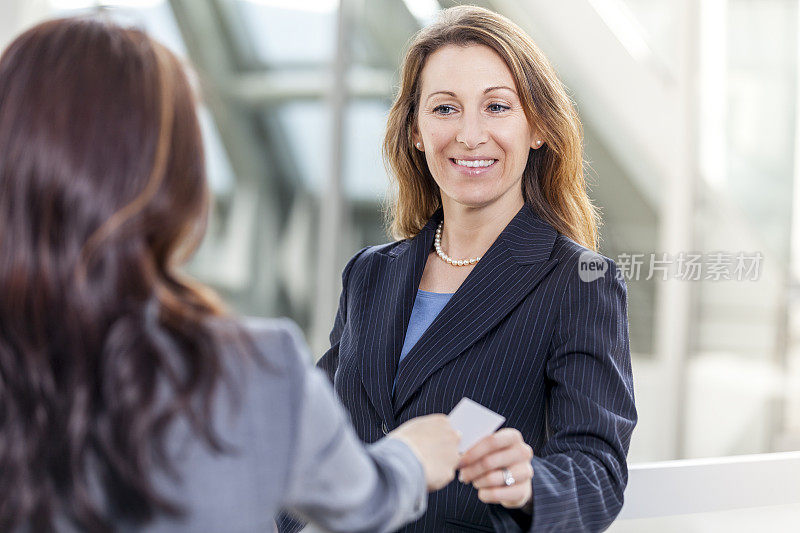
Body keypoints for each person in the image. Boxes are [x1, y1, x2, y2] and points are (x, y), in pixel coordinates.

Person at [0, 17, 463, 533]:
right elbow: (365, 501)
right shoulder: (254, 371)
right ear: (179, 181)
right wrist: (414, 456)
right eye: (445, 108)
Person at [279, 5, 638, 533]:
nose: (471, 135)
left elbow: (598, 471)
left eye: (497, 107)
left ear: (536, 127)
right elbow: (316, 437)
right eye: (445, 109)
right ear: (416, 131)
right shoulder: (370, 276)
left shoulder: (578, 282)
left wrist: (530, 481)